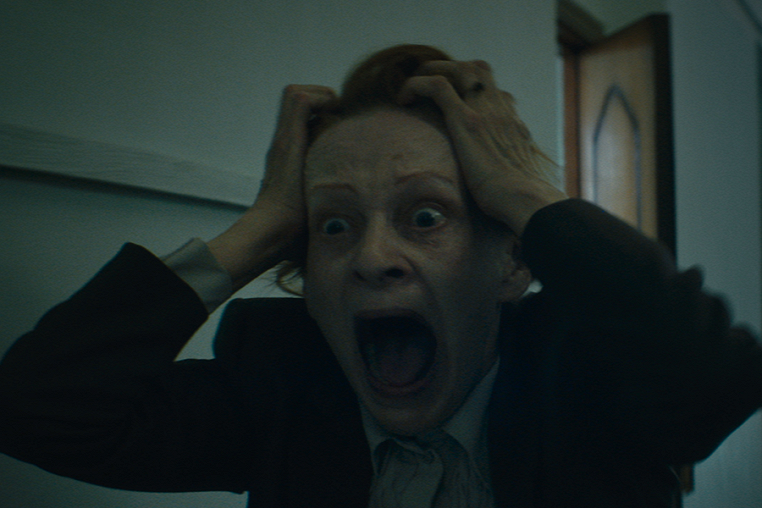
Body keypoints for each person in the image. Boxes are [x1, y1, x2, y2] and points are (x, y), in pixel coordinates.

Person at [0, 44, 760, 508]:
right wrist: (262, 225)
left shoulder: (591, 375)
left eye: (425, 216)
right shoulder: (279, 385)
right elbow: (34, 410)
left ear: (510, 264)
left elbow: (716, 383)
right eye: (334, 227)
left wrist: (524, 195)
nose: (370, 258)